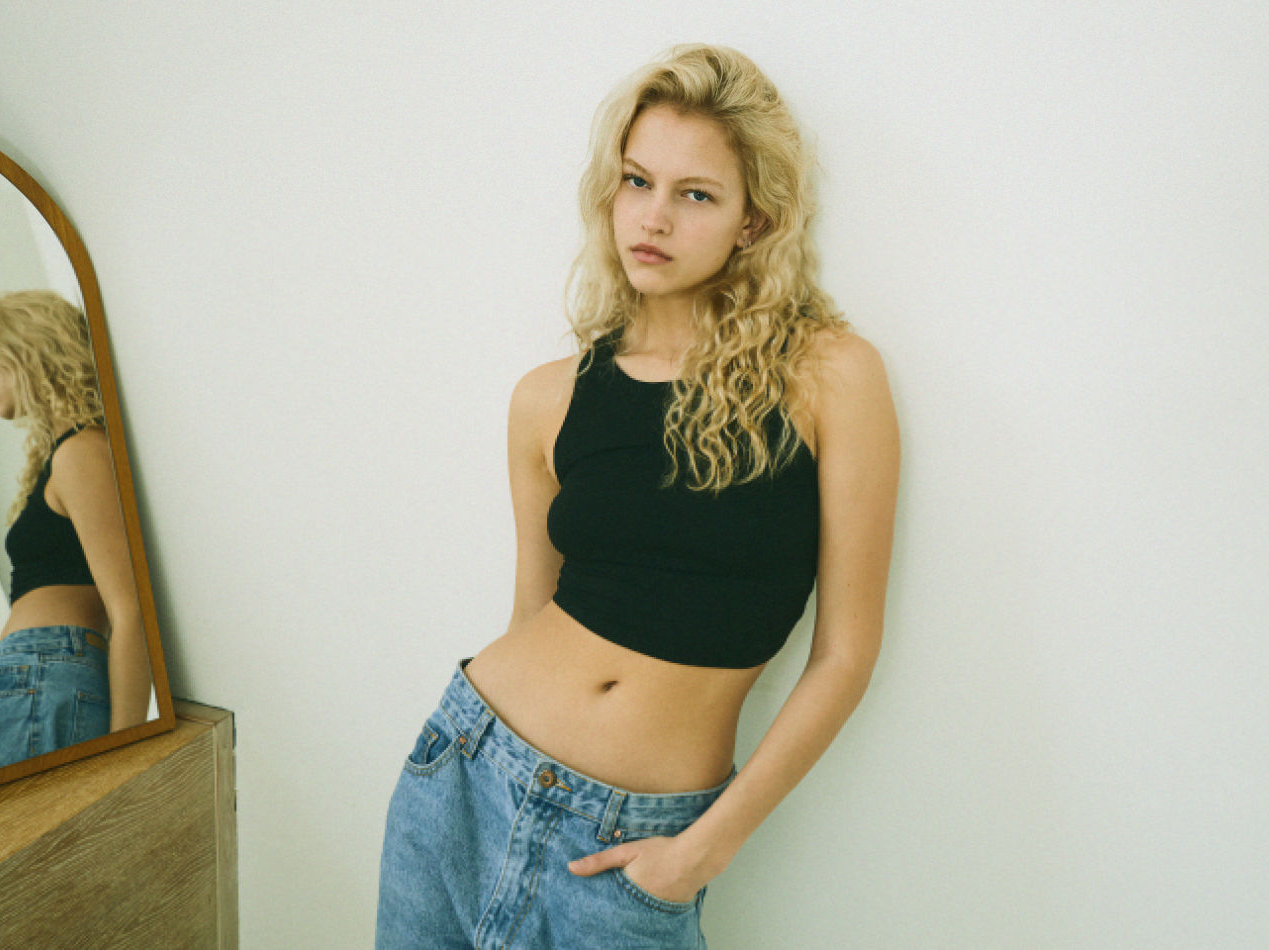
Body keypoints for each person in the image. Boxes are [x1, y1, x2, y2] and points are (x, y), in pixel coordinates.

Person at [376, 44, 899, 948]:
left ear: (751, 220)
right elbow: (533, 610)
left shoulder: (828, 377)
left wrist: (700, 851)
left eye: (695, 194)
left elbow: (844, 657)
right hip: (465, 780)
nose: (653, 217)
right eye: (635, 180)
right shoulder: (547, 399)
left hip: (633, 849)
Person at [0, 290, 151, 772]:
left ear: (23, 349)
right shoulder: (66, 452)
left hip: (43, 672)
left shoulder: (81, 451)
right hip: (33, 674)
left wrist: (124, 759)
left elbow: (130, 608)